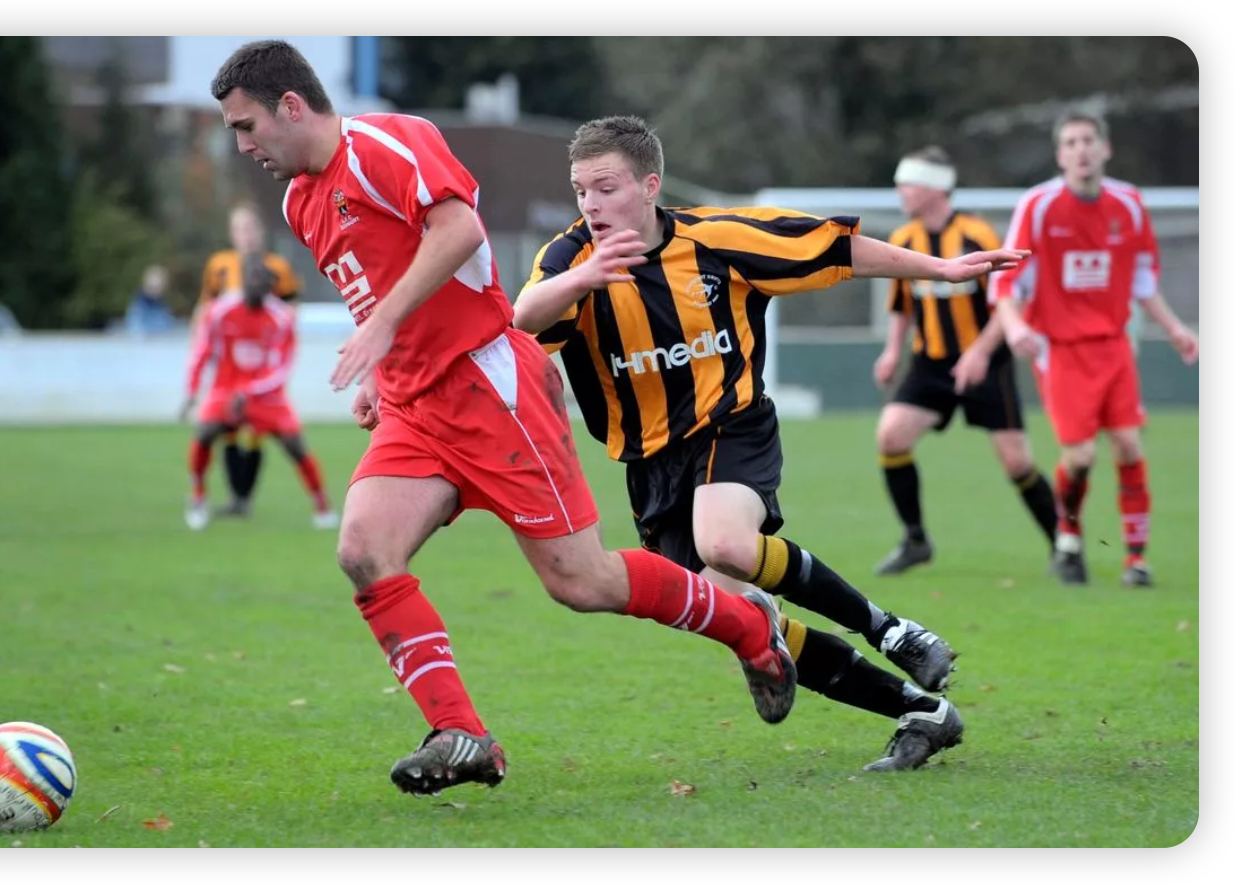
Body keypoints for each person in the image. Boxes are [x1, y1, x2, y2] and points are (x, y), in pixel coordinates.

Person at [212, 40, 803, 799]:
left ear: (291, 105)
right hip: (418, 407)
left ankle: (751, 628)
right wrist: (385, 378)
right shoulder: (301, 200)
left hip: (492, 389)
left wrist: (383, 328)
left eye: (246, 125)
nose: (243, 145)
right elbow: (383, 293)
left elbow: (459, 231)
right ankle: (461, 735)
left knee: (583, 582)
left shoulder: (389, 142)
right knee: (363, 550)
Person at [512, 116, 1027, 771]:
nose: (590, 204)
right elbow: (522, 320)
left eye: (605, 188)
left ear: (649, 185)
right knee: (746, 620)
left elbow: (837, 250)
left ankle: (891, 630)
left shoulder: (717, 237)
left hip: (732, 426)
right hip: (650, 464)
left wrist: (943, 270)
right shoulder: (568, 260)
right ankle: (921, 713)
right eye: (580, 190)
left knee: (724, 542)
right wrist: (579, 282)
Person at [984, 107, 1199, 587]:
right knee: (1080, 458)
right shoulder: (1039, 207)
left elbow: (1143, 279)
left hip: (1115, 344)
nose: (1082, 150)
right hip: (1060, 349)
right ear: (1061, 155)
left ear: (1106, 148)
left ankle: (1136, 560)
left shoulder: (1128, 204)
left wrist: (1176, 328)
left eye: (1089, 141)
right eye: (1072, 143)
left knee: (1128, 445)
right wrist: (1016, 326)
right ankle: (1068, 535)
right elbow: (1005, 285)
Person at [871, 146, 1059, 576]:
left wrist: (978, 352)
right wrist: (892, 351)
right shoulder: (904, 240)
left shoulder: (978, 234)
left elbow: (1009, 300)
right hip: (930, 364)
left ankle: (1063, 544)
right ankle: (915, 540)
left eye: (909, 183)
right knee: (891, 438)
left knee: (1016, 462)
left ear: (936, 188)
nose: (901, 191)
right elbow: (902, 304)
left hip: (987, 361)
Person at [180, 250, 337, 531]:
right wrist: (192, 391)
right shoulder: (219, 311)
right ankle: (197, 498)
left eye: (264, 282)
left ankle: (323, 507)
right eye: (252, 279)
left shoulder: (281, 318)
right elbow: (202, 351)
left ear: (270, 286)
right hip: (226, 390)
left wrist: (250, 392)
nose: (258, 286)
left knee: (295, 445)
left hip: (266, 396)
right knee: (205, 432)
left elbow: (282, 368)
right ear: (244, 280)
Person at [197, 204, 305, 518]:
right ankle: (236, 497)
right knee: (227, 428)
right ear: (232, 233)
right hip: (229, 366)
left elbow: (290, 308)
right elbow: (205, 307)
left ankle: (244, 496)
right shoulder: (219, 265)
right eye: (240, 229)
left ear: (260, 233)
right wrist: (199, 348)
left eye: (251, 229)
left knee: (257, 429)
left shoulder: (277, 267)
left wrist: (281, 348)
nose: (246, 235)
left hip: (261, 365)